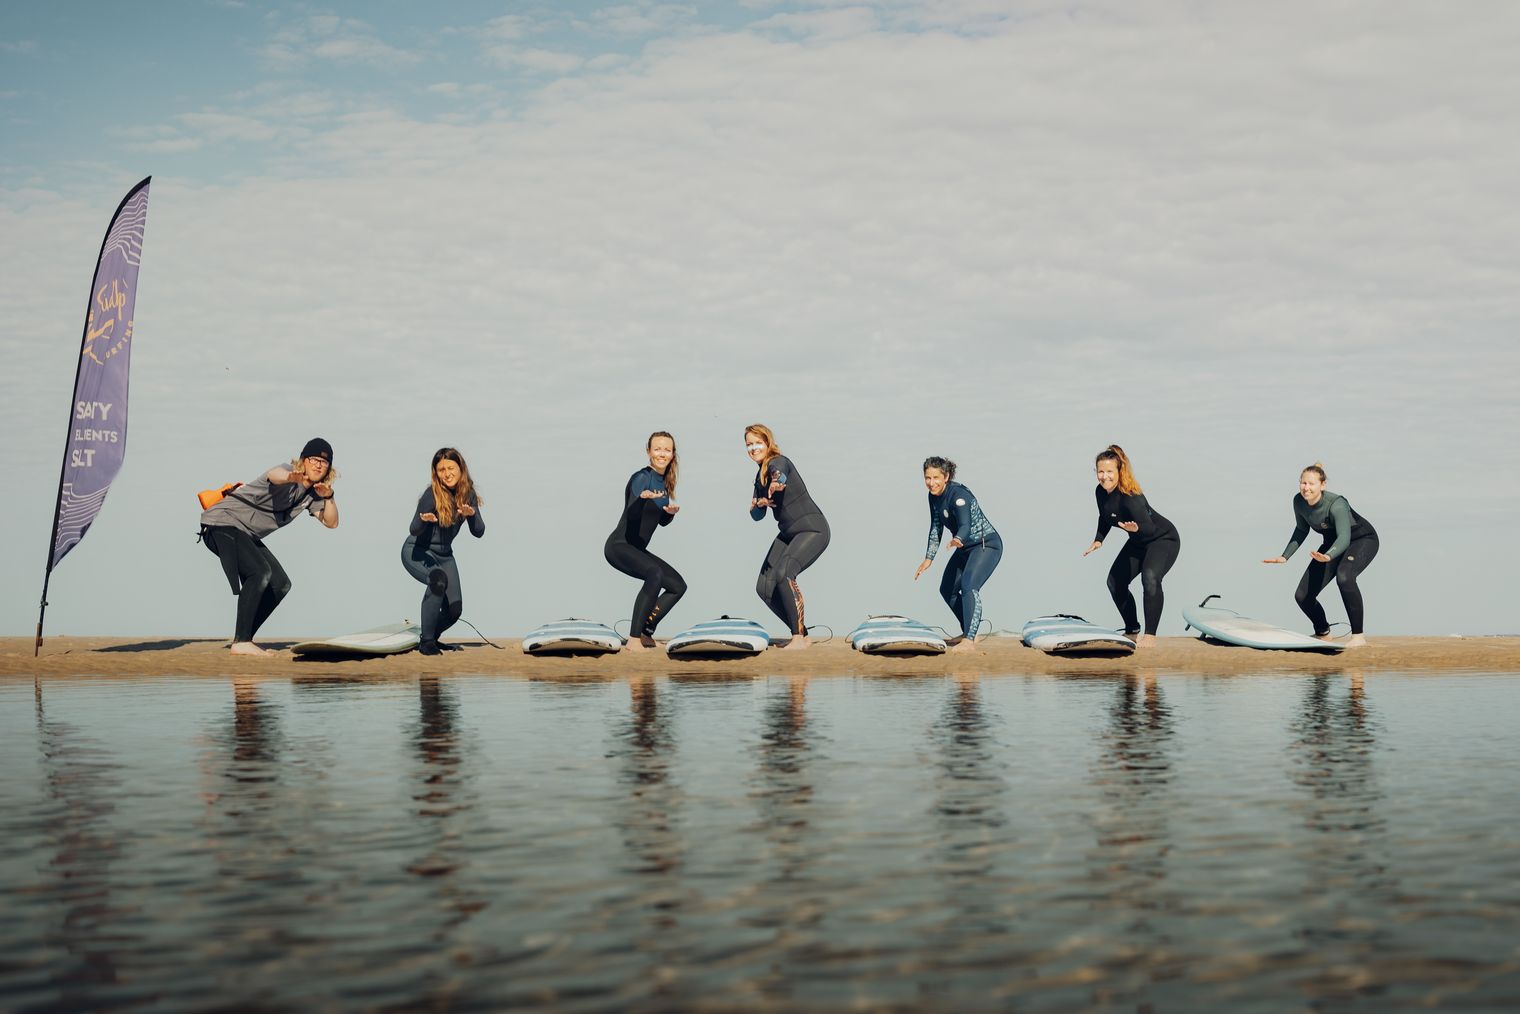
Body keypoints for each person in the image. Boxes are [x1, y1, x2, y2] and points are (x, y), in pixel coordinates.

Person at [200, 438, 339, 655]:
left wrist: (329, 497)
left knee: (280, 584)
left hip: (244, 533)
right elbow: (274, 475)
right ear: (304, 460)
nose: (319, 464)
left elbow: (332, 522)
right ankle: (241, 643)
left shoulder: (313, 496)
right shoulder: (287, 472)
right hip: (221, 523)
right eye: (314, 459)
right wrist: (292, 477)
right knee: (260, 571)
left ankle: (243, 638)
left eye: (325, 462)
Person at [1263, 462, 1378, 648]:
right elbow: (1301, 529)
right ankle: (1323, 633)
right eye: (1303, 483)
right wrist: (1285, 556)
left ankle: (1358, 636)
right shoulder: (1299, 502)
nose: (1306, 487)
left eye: (1311, 484)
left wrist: (1329, 556)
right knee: (1303, 595)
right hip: (1332, 546)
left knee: (1345, 577)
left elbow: (1344, 537)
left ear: (1322, 485)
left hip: (1361, 540)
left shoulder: (1336, 504)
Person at [1083, 444, 1180, 648]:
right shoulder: (1100, 493)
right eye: (1100, 471)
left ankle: (1150, 635)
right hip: (1138, 541)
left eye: (1109, 471)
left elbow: (1149, 529)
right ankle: (1132, 630)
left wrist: (1136, 530)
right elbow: (1105, 516)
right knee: (1115, 582)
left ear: (1119, 472)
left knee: (1150, 577)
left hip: (1162, 539)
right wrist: (1099, 539)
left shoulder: (1131, 497)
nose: (1104, 476)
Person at [746, 424, 830, 650]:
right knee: (764, 587)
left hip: (813, 529)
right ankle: (801, 633)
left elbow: (780, 475)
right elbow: (757, 516)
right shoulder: (759, 475)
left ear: (768, 443)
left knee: (784, 573)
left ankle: (797, 638)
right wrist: (757, 505)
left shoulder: (777, 461)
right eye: (749, 444)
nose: (753, 448)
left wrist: (777, 482)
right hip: (788, 533)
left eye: (757, 443)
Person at [605, 431, 686, 650]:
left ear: (672, 454)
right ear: (649, 451)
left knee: (677, 586)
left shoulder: (665, 484)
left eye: (667, 449)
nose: (662, 453)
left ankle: (646, 633)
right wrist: (641, 500)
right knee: (655, 574)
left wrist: (669, 513)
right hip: (619, 546)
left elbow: (660, 522)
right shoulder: (642, 477)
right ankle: (633, 640)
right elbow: (632, 515)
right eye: (657, 448)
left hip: (637, 549)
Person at [401, 448, 485, 656]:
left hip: (445, 555)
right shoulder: (432, 494)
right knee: (437, 581)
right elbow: (413, 529)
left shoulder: (469, 494)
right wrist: (423, 520)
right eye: (441, 470)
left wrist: (472, 515)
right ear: (435, 473)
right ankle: (427, 642)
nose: (446, 473)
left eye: (450, 468)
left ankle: (429, 636)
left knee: (455, 610)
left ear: (460, 468)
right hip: (418, 551)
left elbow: (479, 532)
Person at [913, 457, 1002, 652]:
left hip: (985, 545)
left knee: (969, 586)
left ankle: (969, 640)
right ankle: (969, 632)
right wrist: (928, 558)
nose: (931, 482)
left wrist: (958, 538)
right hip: (963, 549)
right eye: (927, 478)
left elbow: (965, 525)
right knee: (947, 589)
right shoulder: (933, 497)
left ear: (946, 477)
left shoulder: (958, 495)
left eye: (936, 477)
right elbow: (936, 526)